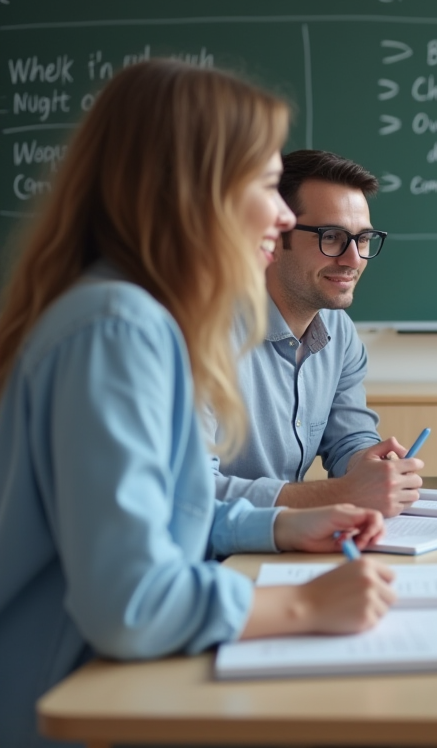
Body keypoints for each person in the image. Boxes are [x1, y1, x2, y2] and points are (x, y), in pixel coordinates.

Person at [0, 60, 398, 748]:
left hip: (116, 686)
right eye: (269, 187)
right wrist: (304, 602)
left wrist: (277, 529)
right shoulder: (119, 327)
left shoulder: (136, 317)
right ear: (192, 190)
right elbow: (129, 604)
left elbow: (163, 515)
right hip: (72, 706)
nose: (281, 217)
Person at [211, 149, 423, 517]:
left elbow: (349, 439)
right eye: (331, 237)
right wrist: (341, 492)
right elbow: (194, 490)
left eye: (363, 238)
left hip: (289, 542)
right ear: (275, 235)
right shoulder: (205, 334)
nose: (354, 259)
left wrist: (372, 467)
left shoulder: (339, 333)